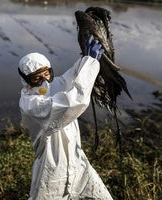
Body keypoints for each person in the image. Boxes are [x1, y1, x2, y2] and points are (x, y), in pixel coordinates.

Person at [18, 36, 113, 200]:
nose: (44, 80)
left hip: (76, 159)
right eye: (36, 77)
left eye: (46, 73)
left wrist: (85, 59)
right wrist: (90, 63)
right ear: (26, 80)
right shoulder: (31, 105)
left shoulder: (55, 84)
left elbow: (72, 76)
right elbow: (73, 102)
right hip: (52, 167)